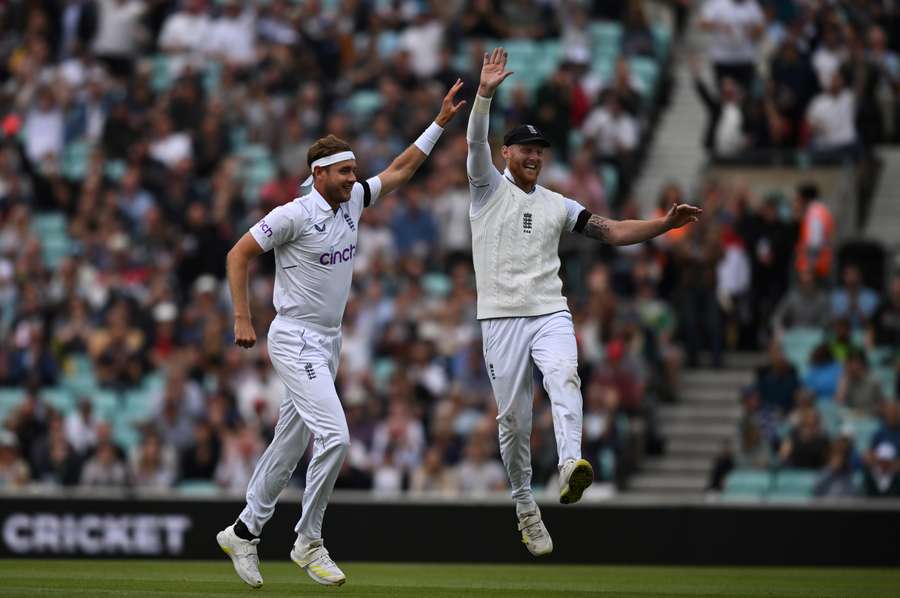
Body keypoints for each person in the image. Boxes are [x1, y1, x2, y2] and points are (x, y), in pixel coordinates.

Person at [216, 81, 466, 588]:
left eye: (354, 171)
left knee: (290, 443)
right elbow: (237, 254)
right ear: (319, 174)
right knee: (336, 436)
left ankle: (244, 530)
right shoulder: (292, 214)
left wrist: (439, 122)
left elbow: (401, 169)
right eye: (345, 171)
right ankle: (308, 540)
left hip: (328, 341)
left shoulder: (353, 202)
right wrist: (243, 318)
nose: (355, 178)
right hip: (292, 337)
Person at [466, 48, 701, 557]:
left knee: (565, 377)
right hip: (501, 317)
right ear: (505, 153)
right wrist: (483, 94)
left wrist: (663, 224)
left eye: (539, 151)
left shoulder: (558, 203)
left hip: (549, 310)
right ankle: (525, 506)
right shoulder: (485, 188)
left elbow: (611, 230)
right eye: (524, 149)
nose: (533, 156)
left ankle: (571, 462)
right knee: (513, 422)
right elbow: (471, 143)